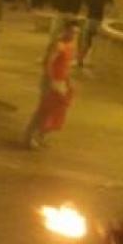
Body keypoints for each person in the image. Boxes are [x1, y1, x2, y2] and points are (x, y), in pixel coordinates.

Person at [23, 20, 77, 149]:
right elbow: (48, 63)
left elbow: (66, 65)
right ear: (65, 30)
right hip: (52, 82)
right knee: (44, 110)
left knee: (56, 111)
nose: (74, 35)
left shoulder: (70, 45)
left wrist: (68, 81)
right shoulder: (58, 45)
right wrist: (51, 81)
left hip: (61, 81)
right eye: (72, 32)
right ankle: (30, 137)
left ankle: (41, 136)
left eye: (76, 33)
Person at [79, 0, 111, 68]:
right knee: (86, 40)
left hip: (95, 18)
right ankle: (81, 59)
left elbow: (96, 4)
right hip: (91, 17)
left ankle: (83, 59)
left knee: (87, 40)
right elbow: (86, 1)